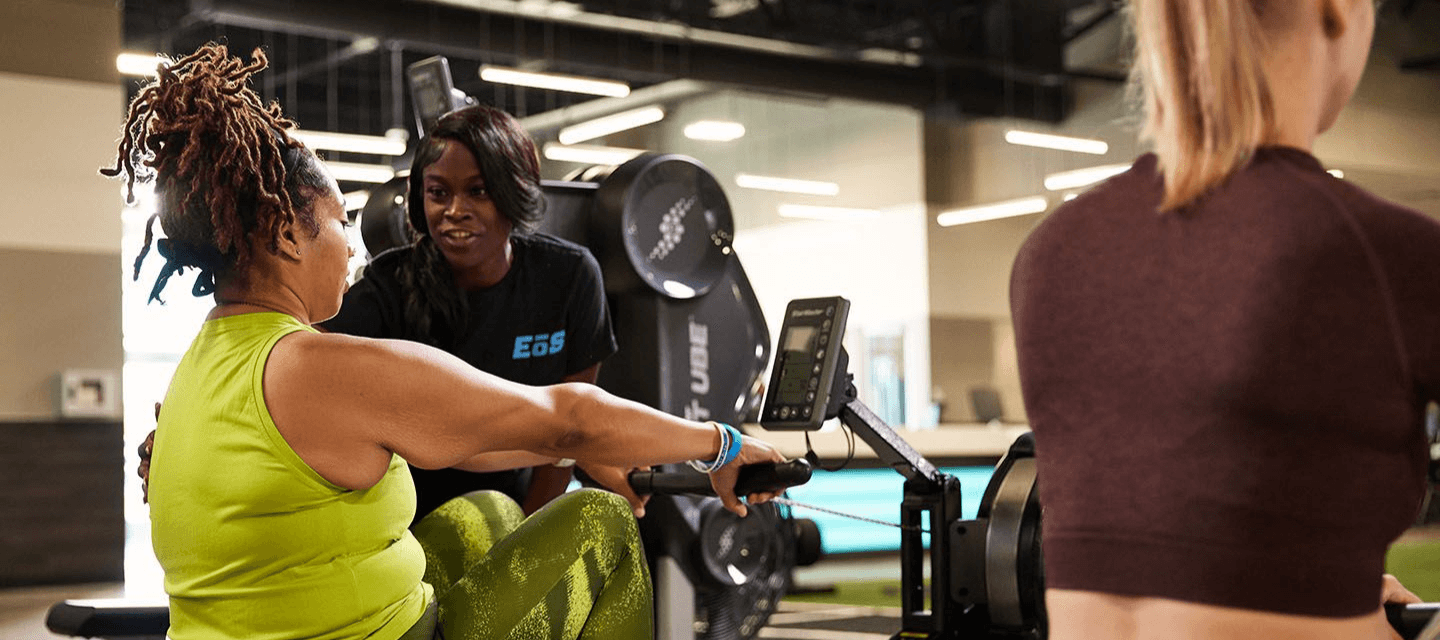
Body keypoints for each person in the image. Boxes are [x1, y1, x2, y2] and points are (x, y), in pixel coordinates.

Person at [110, 42, 784, 640]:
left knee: (487, 513)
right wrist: (719, 446)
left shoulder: (199, 368)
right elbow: (570, 418)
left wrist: (599, 447)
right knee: (602, 526)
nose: (351, 246)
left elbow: (519, 438)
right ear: (288, 232)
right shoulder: (324, 367)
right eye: (340, 221)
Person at [1010, 0, 1435, 639]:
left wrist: (1314, 586)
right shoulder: (1382, 252)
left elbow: (1189, 531)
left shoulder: (1050, 251)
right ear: (1340, 11)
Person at [320, 105, 609, 519]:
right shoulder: (388, 289)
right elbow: (440, 440)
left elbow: (574, 420)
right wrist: (566, 444)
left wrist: (524, 546)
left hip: (516, 506)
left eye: (479, 191)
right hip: (404, 522)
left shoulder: (569, 278)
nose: (455, 210)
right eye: (439, 193)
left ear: (514, 194)